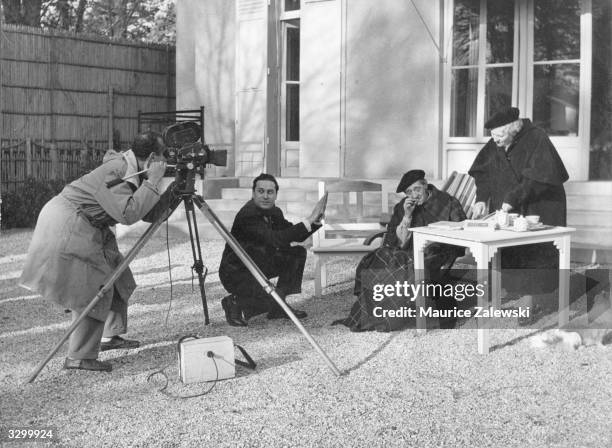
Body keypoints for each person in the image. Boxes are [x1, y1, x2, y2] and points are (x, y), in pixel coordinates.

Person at [19, 132, 168, 372]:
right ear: (151, 156)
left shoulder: (131, 166)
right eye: (164, 155)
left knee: (116, 273)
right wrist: (152, 182)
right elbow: (128, 214)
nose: (165, 160)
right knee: (93, 285)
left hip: (91, 221)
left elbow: (144, 210)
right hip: (71, 222)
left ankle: (110, 336)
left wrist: (167, 186)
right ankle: (79, 356)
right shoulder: (117, 169)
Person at [335, 169, 466, 331]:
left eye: (417, 189)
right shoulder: (402, 207)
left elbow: (462, 233)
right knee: (378, 257)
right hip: (405, 254)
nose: (414, 195)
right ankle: (377, 315)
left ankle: (385, 317)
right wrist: (407, 216)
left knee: (391, 263)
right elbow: (393, 242)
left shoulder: (448, 202)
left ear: (425, 185)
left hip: (434, 254)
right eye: (409, 192)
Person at [468, 106, 569, 316]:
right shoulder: (496, 141)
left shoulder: (537, 138)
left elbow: (537, 179)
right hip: (510, 206)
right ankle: (510, 293)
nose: (496, 140)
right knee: (508, 251)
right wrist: (481, 200)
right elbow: (483, 172)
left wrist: (510, 199)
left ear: (513, 128)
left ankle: (531, 303)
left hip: (539, 205)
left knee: (533, 252)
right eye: (493, 136)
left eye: (499, 135)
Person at [219, 173, 326, 326]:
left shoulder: (274, 212)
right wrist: (308, 221)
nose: (265, 196)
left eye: (270, 192)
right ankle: (234, 301)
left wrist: (316, 221)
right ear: (253, 193)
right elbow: (276, 239)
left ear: (276, 195)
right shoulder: (247, 215)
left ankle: (279, 307)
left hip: (259, 264)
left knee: (296, 253)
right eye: (260, 191)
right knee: (264, 303)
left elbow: (291, 233)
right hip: (238, 272)